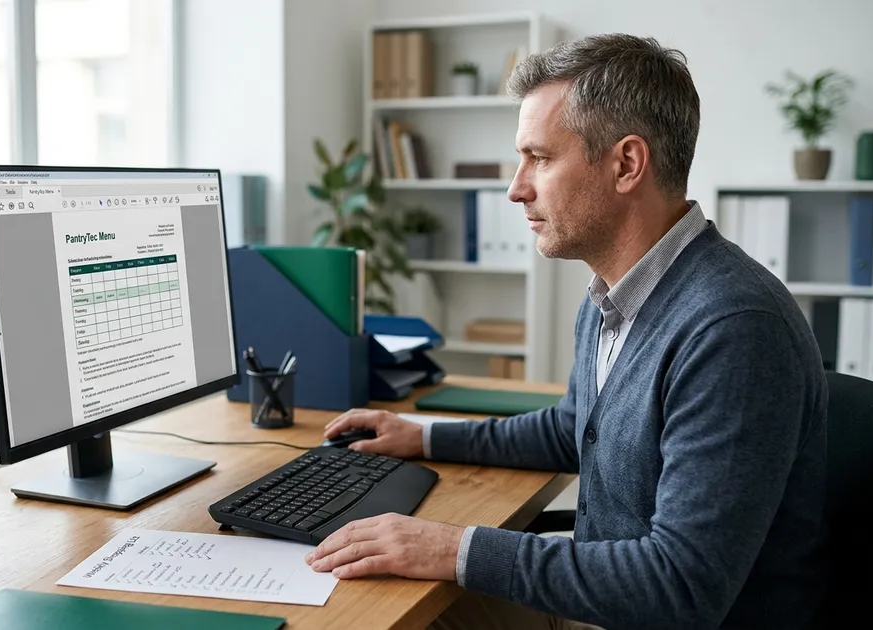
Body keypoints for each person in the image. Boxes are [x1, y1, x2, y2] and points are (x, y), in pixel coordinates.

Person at [304, 32, 828, 630]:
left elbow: (682, 589)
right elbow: (570, 430)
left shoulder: (732, 329)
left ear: (626, 163)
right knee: (377, 597)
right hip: (607, 601)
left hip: (652, 614)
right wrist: (422, 437)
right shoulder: (613, 293)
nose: (516, 186)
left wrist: (452, 548)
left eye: (541, 158)